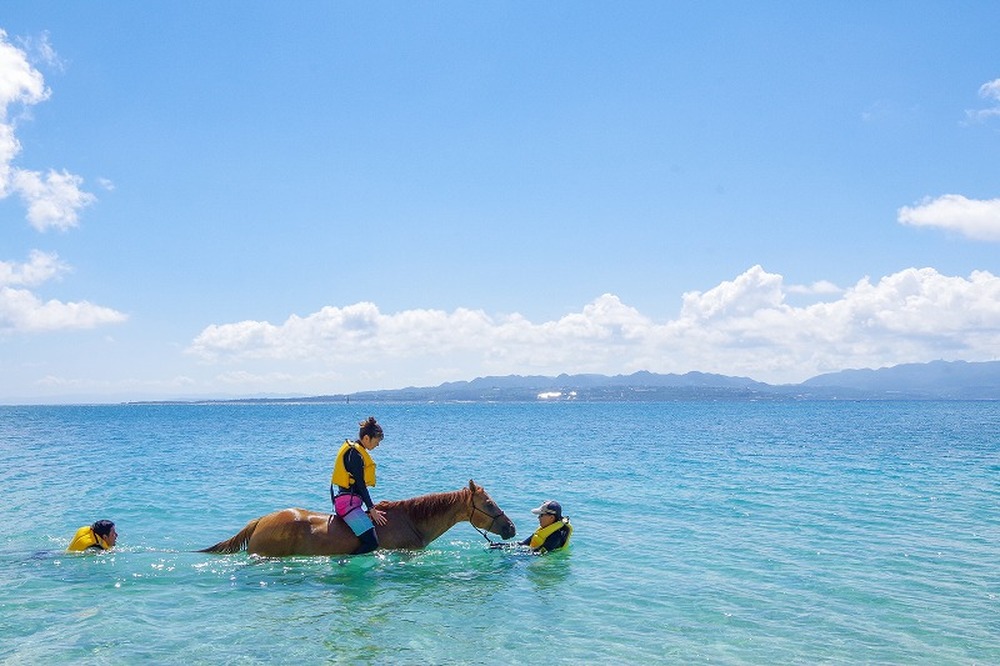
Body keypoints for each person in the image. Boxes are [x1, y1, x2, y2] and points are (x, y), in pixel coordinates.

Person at [330, 416, 387, 554]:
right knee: (372, 543)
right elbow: (361, 486)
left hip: (351, 503)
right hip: (347, 505)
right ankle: (344, 561)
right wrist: (372, 509)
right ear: (366, 438)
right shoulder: (354, 454)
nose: (377, 445)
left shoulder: (356, 452)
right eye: (376, 442)